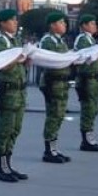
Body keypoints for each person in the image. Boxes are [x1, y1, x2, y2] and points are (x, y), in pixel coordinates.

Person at [0, 9, 29, 182]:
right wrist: (19, 57)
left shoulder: (15, 40)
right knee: (5, 130)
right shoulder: (0, 41)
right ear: (2, 23)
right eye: (12, 20)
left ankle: (9, 164)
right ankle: (1, 168)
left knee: (16, 129)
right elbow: (3, 64)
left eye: (15, 20)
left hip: (20, 90)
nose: (15, 23)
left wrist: (25, 59)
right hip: (8, 91)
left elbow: (20, 61)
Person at [38, 12, 72, 164]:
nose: (64, 25)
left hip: (62, 83)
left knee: (59, 115)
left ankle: (54, 148)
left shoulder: (61, 41)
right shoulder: (48, 41)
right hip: (53, 82)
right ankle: (49, 150)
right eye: (61, 22)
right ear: (52, 25)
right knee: (53, 115)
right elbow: (52, 59)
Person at [73, 14, 98, 152]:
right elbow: (86, 57)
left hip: (94, 79)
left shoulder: (90, 39)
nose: (94, 26)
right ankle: (86, 140)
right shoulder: (82, 39)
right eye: (91, 23)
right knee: (88, 109)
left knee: (93, 108)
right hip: (87, 79)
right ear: (84, 25)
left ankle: (90, 137)